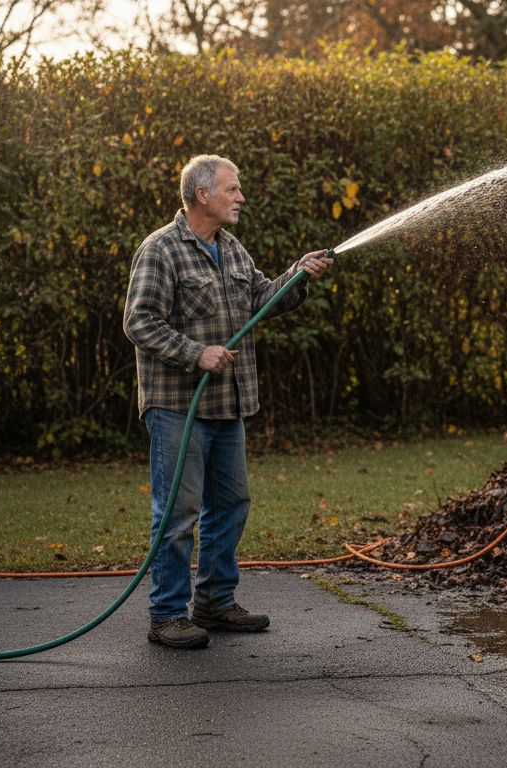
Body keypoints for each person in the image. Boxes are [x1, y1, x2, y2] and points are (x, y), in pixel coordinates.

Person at [123, 154, 333, 649]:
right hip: (178, 406)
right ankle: (167, 615)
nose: (241, 197)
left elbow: (261, 299)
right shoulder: (161, 250)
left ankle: (215, 602)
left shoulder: (231, 248)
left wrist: (297, 275)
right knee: (178, 513)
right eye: (232, 190)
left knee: (232, 504)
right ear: (202, 195)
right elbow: (139, 322)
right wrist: (197, 354)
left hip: (228, 406)